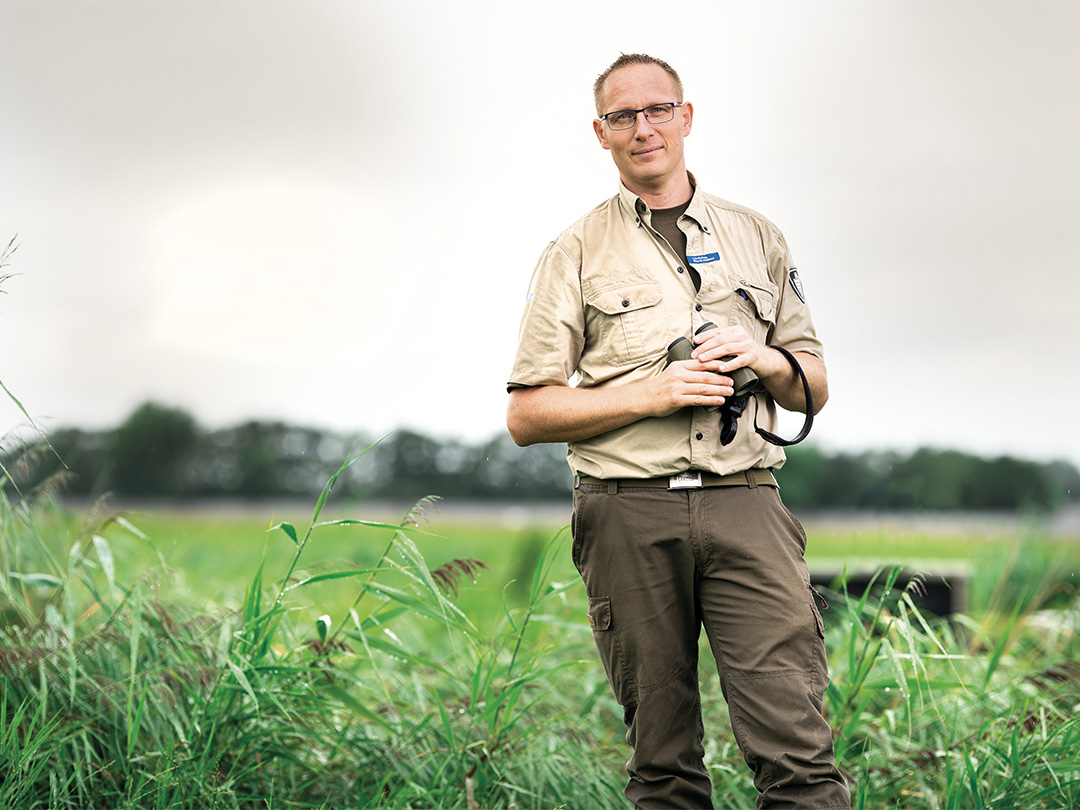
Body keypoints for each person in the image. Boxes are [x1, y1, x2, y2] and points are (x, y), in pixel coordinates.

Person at [505, 53, 851, 809]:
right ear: (601, 134)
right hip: (627, 508)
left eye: (658, 109)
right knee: (663, 768)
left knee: (799, 756)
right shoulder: (573, 252)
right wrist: (652, 393)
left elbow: (814, 384)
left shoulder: (759, 237)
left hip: (746, 500)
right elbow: (528, 413)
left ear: (686, 117)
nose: (644, 128)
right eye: (623, 116)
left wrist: (762, 357)